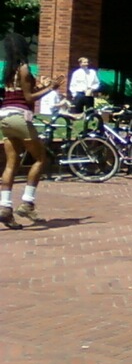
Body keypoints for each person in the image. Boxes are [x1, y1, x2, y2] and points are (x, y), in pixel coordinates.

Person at [1, 33, 64, 228]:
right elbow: (28, 98)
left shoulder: (8, 70)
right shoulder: (24, 68)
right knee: (40, 158)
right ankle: (27, 202)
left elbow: (21, 91)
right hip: (20, 117)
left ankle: (5, 206)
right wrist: (51, 87)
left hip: (4, 117)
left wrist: (40, 85)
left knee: (12, 163)